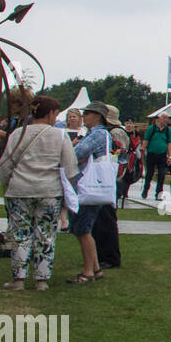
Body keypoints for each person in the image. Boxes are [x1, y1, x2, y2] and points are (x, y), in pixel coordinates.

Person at [0, 95, 77, 291]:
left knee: (19, 235)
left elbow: (5, 164)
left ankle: (18, 280)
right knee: (46, 235)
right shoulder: (60, 135)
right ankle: (42, 280)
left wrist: (7, 183)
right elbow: (70, 167)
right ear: (49, 113)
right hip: (49, 191)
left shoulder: (17, 134)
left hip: (20, 190)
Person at [68, 102, 115, 284]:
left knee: (83, 229)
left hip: (89, 187)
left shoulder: (98, 134)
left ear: (97, 116)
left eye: (87, 113)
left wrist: (73, 147)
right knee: (82, 228)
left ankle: (88, 272)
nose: (84, 116)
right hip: (91, 186)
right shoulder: (97, 133)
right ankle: (95, 268)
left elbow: (79, 152)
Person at [93, 104, 130, 271]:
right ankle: (104, 255)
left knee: (106, 220)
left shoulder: (115, 133)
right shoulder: (114, 132)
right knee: (103, 220)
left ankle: (110, 257)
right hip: (109, 179)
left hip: (111, 180)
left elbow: (118, 155)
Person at [140, 114, 171, 200]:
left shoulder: (167, 130)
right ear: (159, 118)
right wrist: (142, 150)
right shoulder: (152, 128)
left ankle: (159, 193)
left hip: (162, 155)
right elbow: (146, 140)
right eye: (163, 118)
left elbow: (169, 143)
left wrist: (169, 156)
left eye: (166, 118)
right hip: (151, 154)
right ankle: (145, 190)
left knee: (161, 174)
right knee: (149, 173)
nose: (165, 120)